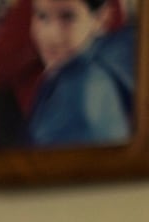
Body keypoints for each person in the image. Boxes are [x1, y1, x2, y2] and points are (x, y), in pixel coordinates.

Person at [24, 0, 138, 148]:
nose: (51, 35)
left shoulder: (81, 86)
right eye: (42, 16)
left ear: (100, 18)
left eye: (68, 17)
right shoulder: (75, 72)